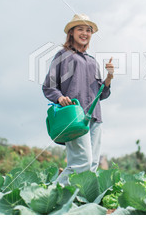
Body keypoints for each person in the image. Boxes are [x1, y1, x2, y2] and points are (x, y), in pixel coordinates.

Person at [42, 14, 114, 186]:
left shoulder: (92, 61)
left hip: (94, 116)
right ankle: (52, 193)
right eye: (80, 29)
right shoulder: (63, 55)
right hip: (74, 117)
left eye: (88, 30)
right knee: (81, 163)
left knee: (93, 165)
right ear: (71, 33)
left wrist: (109, 77)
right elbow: (48, 86)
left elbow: (101, 94)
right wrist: (59, 97)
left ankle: (77, 201)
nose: (85, 33)